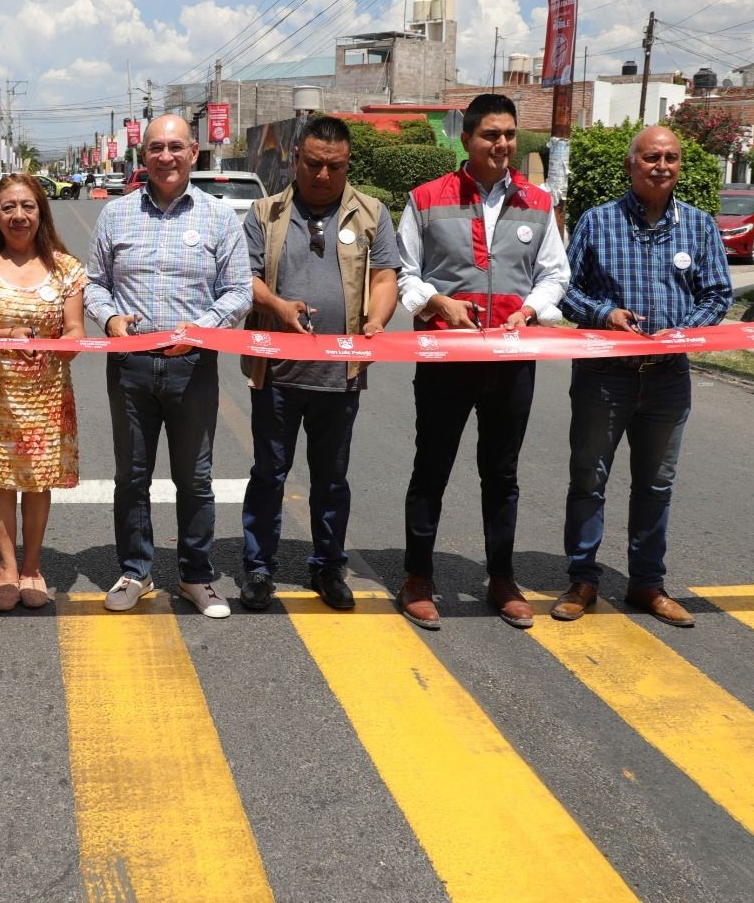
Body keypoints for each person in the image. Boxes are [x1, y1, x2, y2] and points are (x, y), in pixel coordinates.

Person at [395, 93, 570, 630]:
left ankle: (502, 578)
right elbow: (405, 272)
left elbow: (554, 274)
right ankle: (419, 578)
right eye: (491, 135)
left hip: (512, 361)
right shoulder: (426, 199)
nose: (502, 145)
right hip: (447, 358)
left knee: (502, 472)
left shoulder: (538, 203)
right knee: (433, 467)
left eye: (510, 135)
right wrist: (439, 302)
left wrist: (533, 311)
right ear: (466, 139)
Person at [553, 125, 732, 627]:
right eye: (651, 156)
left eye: (671, 158)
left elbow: (717, 294)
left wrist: (683, 332)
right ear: (631, 164)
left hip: (668, 376)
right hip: (605, 377)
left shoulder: (698, 226)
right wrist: (605, 313)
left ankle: (647, 585)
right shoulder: (598, 221)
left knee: (656, 485)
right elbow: (566, 290)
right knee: (589, 479)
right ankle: (582, 579)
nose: (662, 166)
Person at [84, 113, 252, 618]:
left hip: (193, 367)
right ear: (144, 155)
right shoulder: (115, 216)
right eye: (155, 147)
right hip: (131, 366)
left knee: (195, 478)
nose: (165, 156)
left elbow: (239, 292)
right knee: (131, 476)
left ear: (193, 153)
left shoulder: (219, 218)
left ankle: (196, 576)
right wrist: (110, 319)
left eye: (176, 147)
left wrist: (198, 331)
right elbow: (95, 283)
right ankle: (135, 571)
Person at [239, 116, 400, 612]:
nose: (323, 175)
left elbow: (385, 275)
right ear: (296, 160)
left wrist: (375, 323)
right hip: (277, 376)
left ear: (348, 162)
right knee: (270, 473)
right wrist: (281, 307)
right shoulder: (264, 214)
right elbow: (243, 278)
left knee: (331, 480)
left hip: (340, 376)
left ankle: (329, 566)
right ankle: (259, 569)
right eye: (313, 164)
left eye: (334, 166)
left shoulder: (372, 213)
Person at [0, 174, 85, 611]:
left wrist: (63, 350)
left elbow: (74, 330)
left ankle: (33, 567)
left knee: (38, 480)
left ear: (41, 212)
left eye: (28, 206)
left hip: (46, 393)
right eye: (8, 207)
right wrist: (11, 334)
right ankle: (6, 568)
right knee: (1, 479)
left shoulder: (67, 267)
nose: (19, 216)